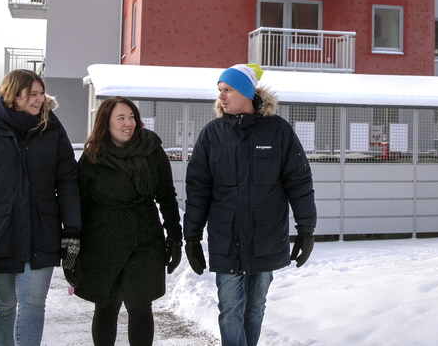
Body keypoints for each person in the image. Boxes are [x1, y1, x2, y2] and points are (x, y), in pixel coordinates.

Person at [184, 64, 317, 346]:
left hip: (265, 237)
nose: (221, 96)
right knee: (230, 308)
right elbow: (198, 189)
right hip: (226, 236)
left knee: (255, 308)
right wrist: (192, 236)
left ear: (246, 92)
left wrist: (306, 228)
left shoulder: (277, 130)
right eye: (219, 90)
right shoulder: (212, 134)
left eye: (227, 89)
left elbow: (299, 181)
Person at [0, 69, 82, 346]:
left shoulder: (52, 129)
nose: (40, 99)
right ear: (13, 95)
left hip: (42, 230)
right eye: (32, 94)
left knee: (34, 305)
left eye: (41, 93)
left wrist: (72, 229)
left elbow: (68, 181)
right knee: (5, 305)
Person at [70, 97, 182, 346]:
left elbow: (166, 196)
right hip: (103, 243)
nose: (128, 123)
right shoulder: (92, 157)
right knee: (106, 307)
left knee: (141, 306)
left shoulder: (152, 149)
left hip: (145, 240)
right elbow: (79, 206)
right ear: (105, 123)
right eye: (121, 118)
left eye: (131, 117)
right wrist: (71, 251)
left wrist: (175, 238)